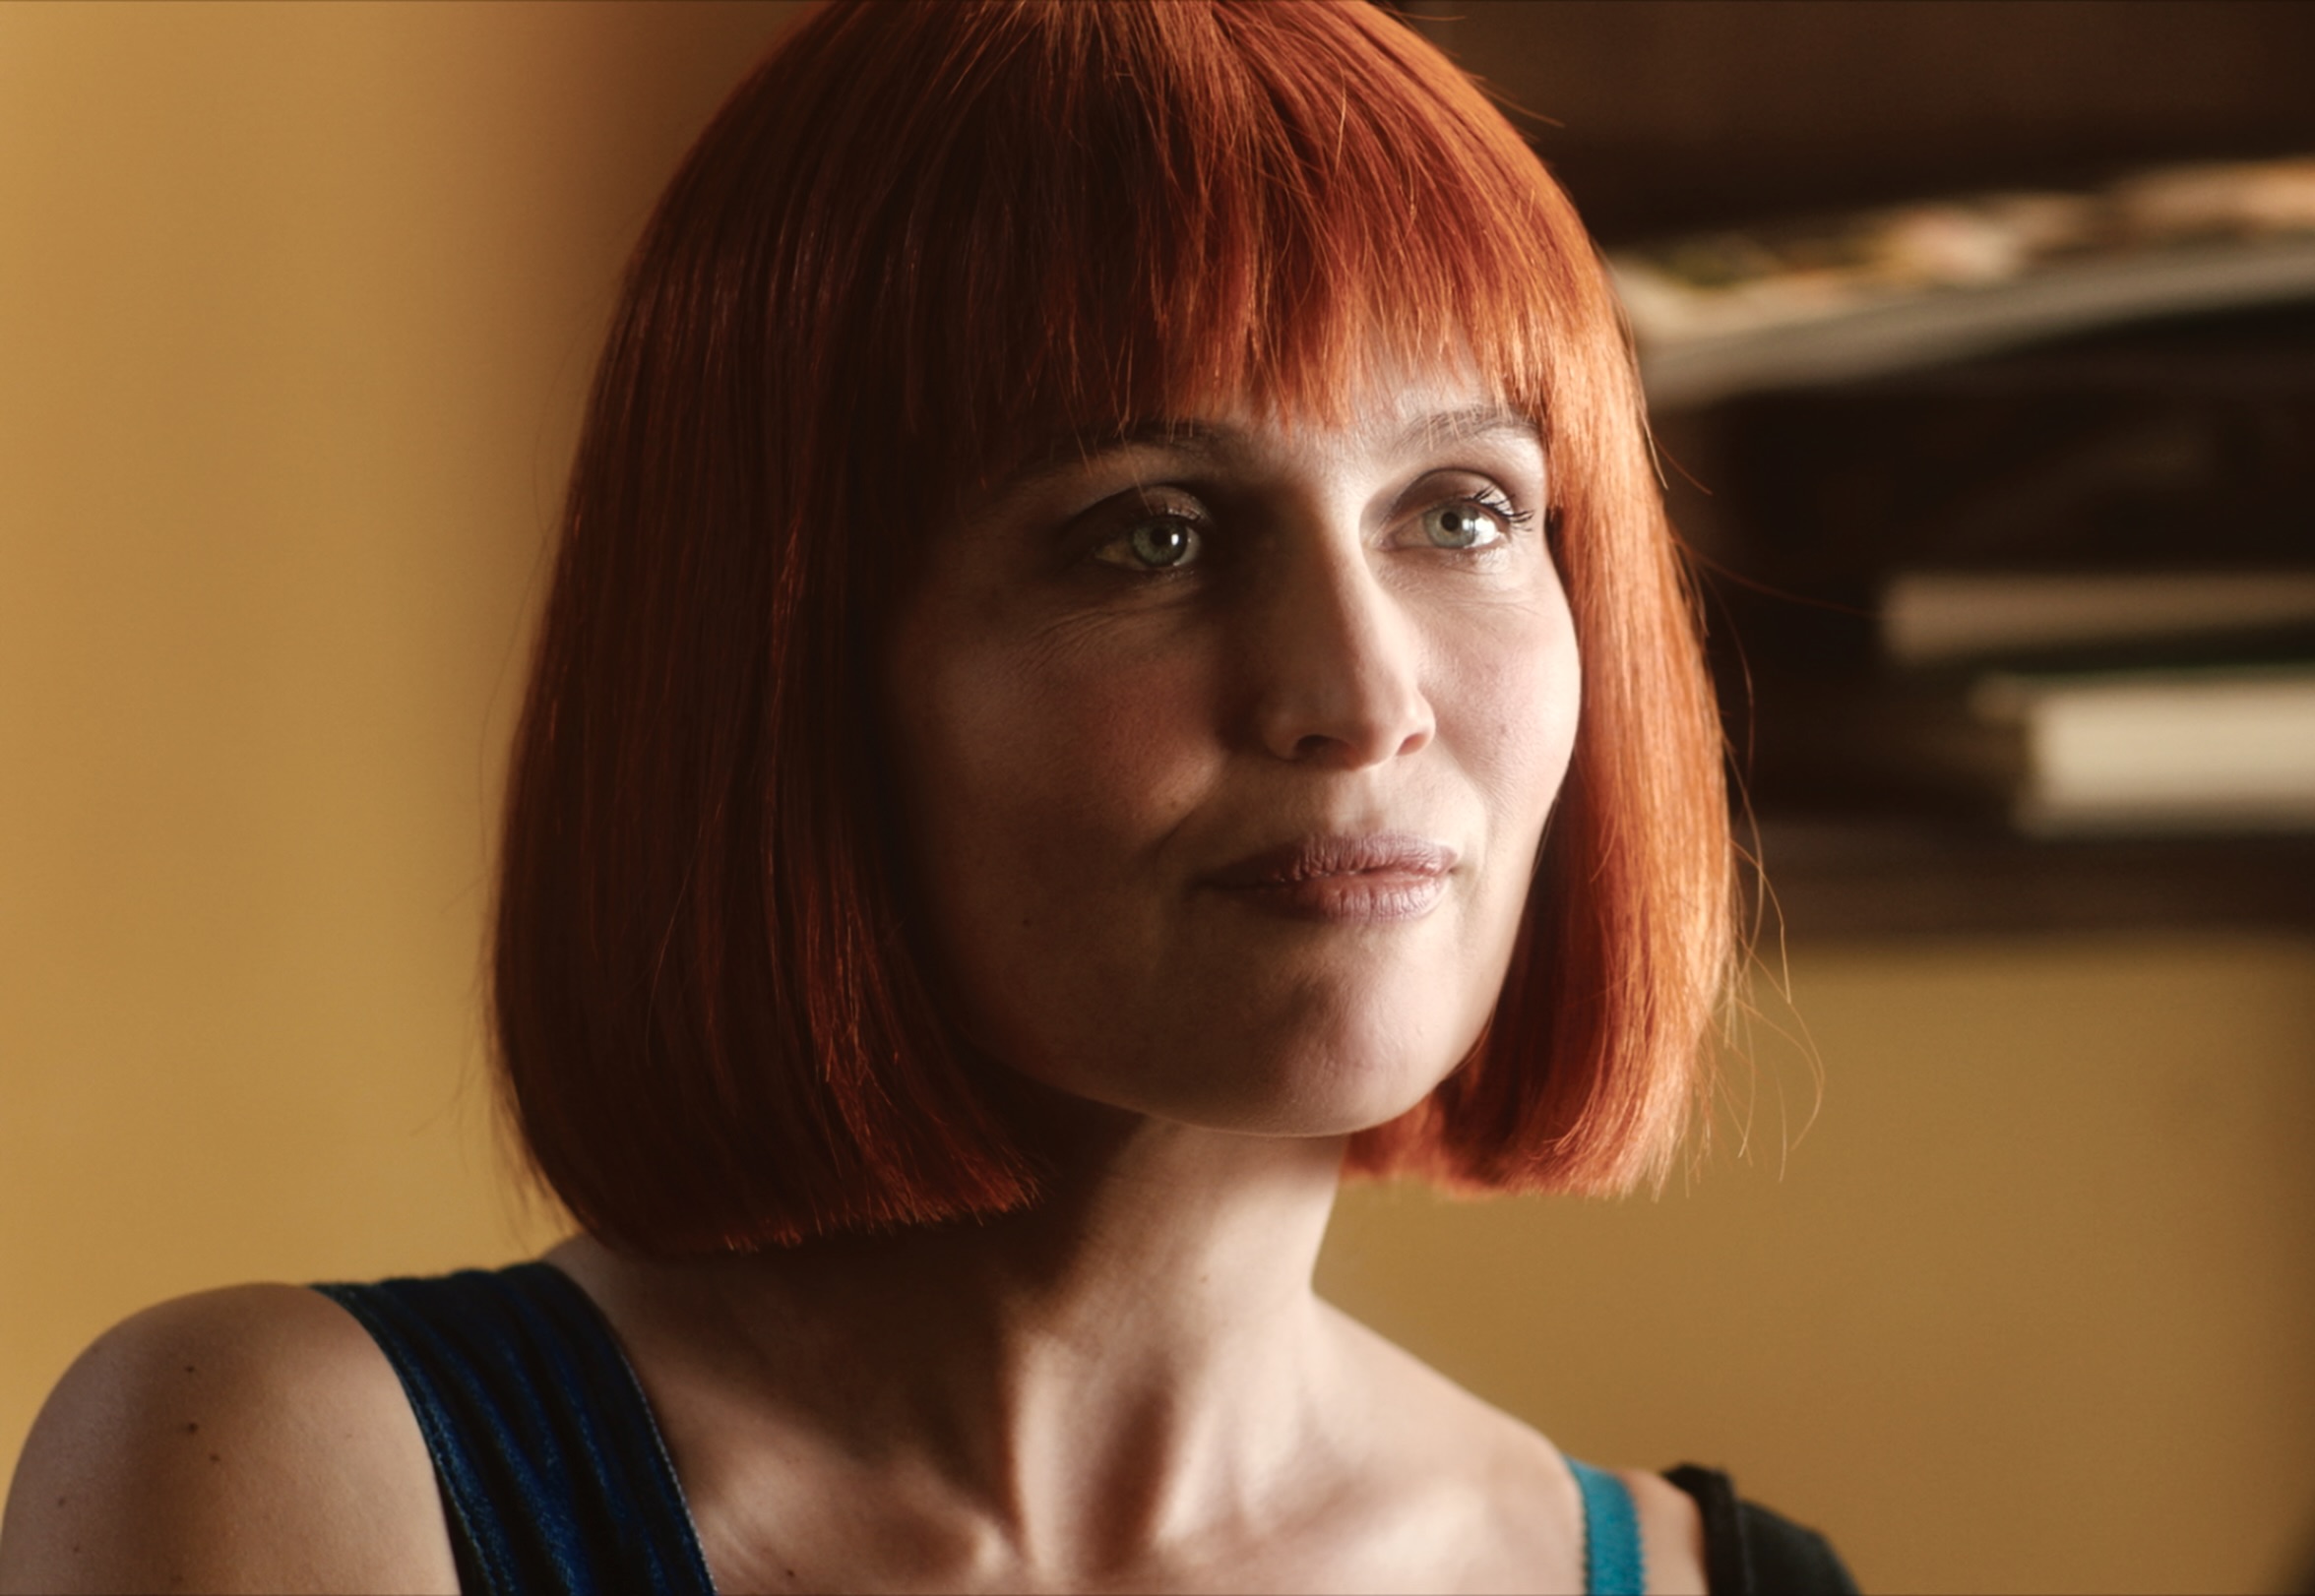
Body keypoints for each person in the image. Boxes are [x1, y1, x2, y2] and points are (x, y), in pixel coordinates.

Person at [0, 3, 1855, 1592]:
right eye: (1154, 532)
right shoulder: (287, 1478)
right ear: (792, 669)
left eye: (1462, 512)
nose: (1363, 700)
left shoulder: (1723, 1577)